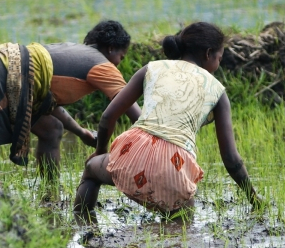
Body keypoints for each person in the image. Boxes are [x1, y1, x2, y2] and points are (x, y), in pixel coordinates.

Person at [74, 21, 261, 218]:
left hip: (131, 156)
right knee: (182, 231)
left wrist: (100, 151)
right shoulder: (217, 91)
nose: (218, 64)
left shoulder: (152, 68)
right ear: (208, 54)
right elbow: (231, 159)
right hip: (174, 169)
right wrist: (254, 198)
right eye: (219, 58)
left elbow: (107, 117)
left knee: (90, 170)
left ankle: (84, 228)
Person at [0, 20, 141, 169]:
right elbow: (132, 109)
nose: (118, 64)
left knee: (52, 129)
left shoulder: (72, 51)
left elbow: (49, 105)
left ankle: (50, 194)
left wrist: (81, 132)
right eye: (121, 57)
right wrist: (155, 139)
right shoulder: (103, 65)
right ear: (111, 49)